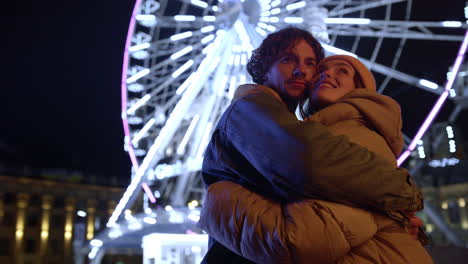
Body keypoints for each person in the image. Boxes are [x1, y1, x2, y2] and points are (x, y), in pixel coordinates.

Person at [199, 27, 427, 263]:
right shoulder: (251, 108)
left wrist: (392, 214)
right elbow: (310, 161)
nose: (302, 71)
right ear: (264, 70)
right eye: (288, 59)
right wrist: (402, 193)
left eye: (310, 64)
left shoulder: (337, 130)